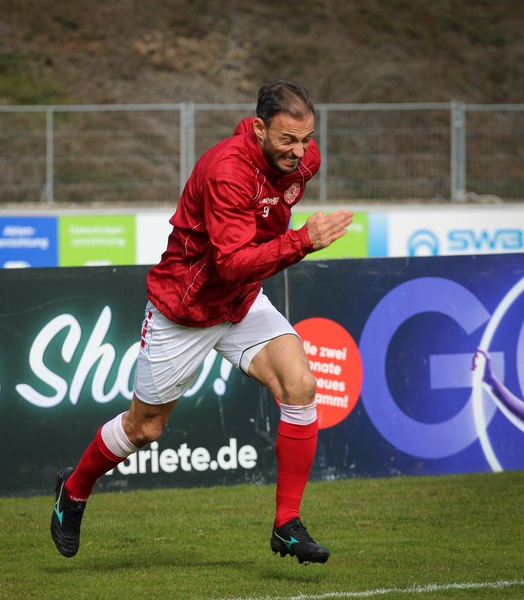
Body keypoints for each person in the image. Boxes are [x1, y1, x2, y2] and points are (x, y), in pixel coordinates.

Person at [51, 80, 354, 564]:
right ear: (259, 129)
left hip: (241, 300)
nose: (300, 152)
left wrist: (290, 237)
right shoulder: (226, 171)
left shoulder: (300, 162)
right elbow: (231, 262)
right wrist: (303, 241)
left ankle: (286, 524)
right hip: (186, 310)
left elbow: (245, 262)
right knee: (144, 428)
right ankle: (74, 489)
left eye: (306, 139)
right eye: (288, 140)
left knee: (300, 386)